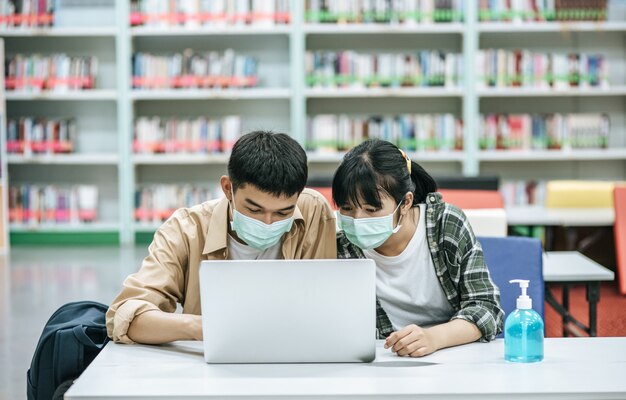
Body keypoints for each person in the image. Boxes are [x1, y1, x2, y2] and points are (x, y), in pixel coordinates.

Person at [107, 131, 337, 344]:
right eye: (254, 210)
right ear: (228, 188)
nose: (268, 222)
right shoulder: (186, 230)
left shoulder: (313, 211)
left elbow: (327, 303)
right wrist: (200, 326)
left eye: (283, 212)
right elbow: (127, 316)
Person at [333, 139, 504, 358]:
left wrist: (433, 338)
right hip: (383, 361)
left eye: (371, 209)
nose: (357, 220)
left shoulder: (446, 225)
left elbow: (488, 309)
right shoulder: (342, 244)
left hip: (451, 355)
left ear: (405, 203)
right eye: (347, 208)